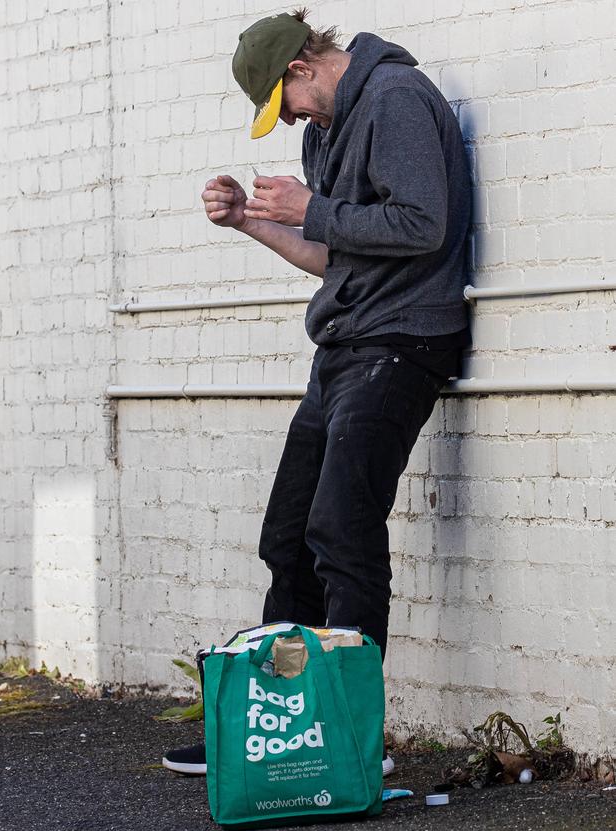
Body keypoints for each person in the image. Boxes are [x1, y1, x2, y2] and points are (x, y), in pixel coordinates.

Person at [163, 8, 471, 777]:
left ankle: (348, 735)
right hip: (344, 343)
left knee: (342, 527)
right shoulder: (324, 132)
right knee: (290, 534)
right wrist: (250, 222)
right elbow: (333, 253)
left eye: (287, 100)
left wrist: (313, 206)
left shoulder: (396, 96)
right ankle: (275, 724)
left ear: (304, 65)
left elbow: (422, 224)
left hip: (403, 340)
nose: (292, 117)